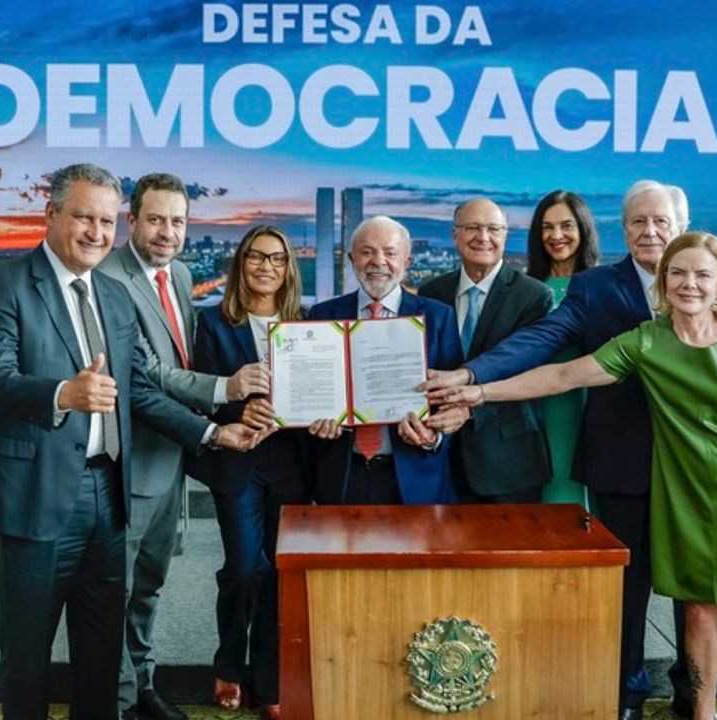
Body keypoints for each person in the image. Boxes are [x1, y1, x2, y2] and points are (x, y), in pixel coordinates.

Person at [432, 232, 717, 720]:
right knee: (698, 611)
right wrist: (479, 392)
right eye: (678, 273)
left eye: (702, 274)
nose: (689, 283)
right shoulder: (646, 341)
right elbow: (564, 376)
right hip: (684, 499)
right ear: (663, 280)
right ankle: (704, 715)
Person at [0, 163, 261, 720]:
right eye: (84, 218)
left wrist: (213, 432)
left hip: (109, 493)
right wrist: (63, 394)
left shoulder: (113, 295)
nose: (96, 233)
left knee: (101, 654)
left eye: (105, 221)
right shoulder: (4, 284)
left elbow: (139, 390)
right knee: (26, 657)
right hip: (36, 493)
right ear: (51, 214)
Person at [423, 180, 699, 719]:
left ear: (681, 226)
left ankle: (695, 691)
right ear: (623, 230)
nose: (649, 231)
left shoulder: (705, 277)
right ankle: (626, 693)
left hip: (695, 464)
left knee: (694, 589)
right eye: (638, 222)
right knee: (627, 585)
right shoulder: (594, 288)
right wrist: (472, 375)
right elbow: (541, 343)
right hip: (623, 461)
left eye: (660, 221)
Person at [99, 173, 270, 720]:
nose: (167, 232)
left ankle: (142, 686)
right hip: (128, 460)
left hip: (172, 454)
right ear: (132, 221)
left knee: (149, 584)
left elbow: (183, 358)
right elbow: (148, 373)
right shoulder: (109, 280)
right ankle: (118, 702)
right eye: (155, 219)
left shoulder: (179, 274)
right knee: (118, 587)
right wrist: (226, 389)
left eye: (177, 221)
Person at [193, 225, 310, 720]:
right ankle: (228, 663)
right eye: (257, 257)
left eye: (277, 259)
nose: (267, 267)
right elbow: (201, 393)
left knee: (279, 570)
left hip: (292, 461)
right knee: (244, 567)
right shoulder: (213, 323)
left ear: (289, 268)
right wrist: (237, 411)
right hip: (238, 457)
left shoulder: (307, 323)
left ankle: (267, 679)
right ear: (241, 264)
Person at [308, 215, 464, 504]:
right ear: (352, 259)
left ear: (407, 261)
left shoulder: (439, 317)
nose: (378, 262)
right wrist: (312, 420)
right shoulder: (322, 315)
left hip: (415, 473)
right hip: (342, 474)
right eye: (367, 252)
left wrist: (434, 437)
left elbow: (453, 400)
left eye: (390, 253)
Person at [418, 198, 553, 502]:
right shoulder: (432, 292)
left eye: (493, 229)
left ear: (505, 235)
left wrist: (469, 410)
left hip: (509, 462)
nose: (483, 237)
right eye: (473, 228)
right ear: (455, 234)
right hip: (442, 456)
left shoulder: (533, 296)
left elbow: (524, 369)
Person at [524, 190, 600, 508]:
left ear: (583, 229)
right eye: (547, 227)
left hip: (589, 406)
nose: (556, 236)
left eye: (566, 226)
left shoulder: (603, 285)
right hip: (537, 409)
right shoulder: (526, 290)